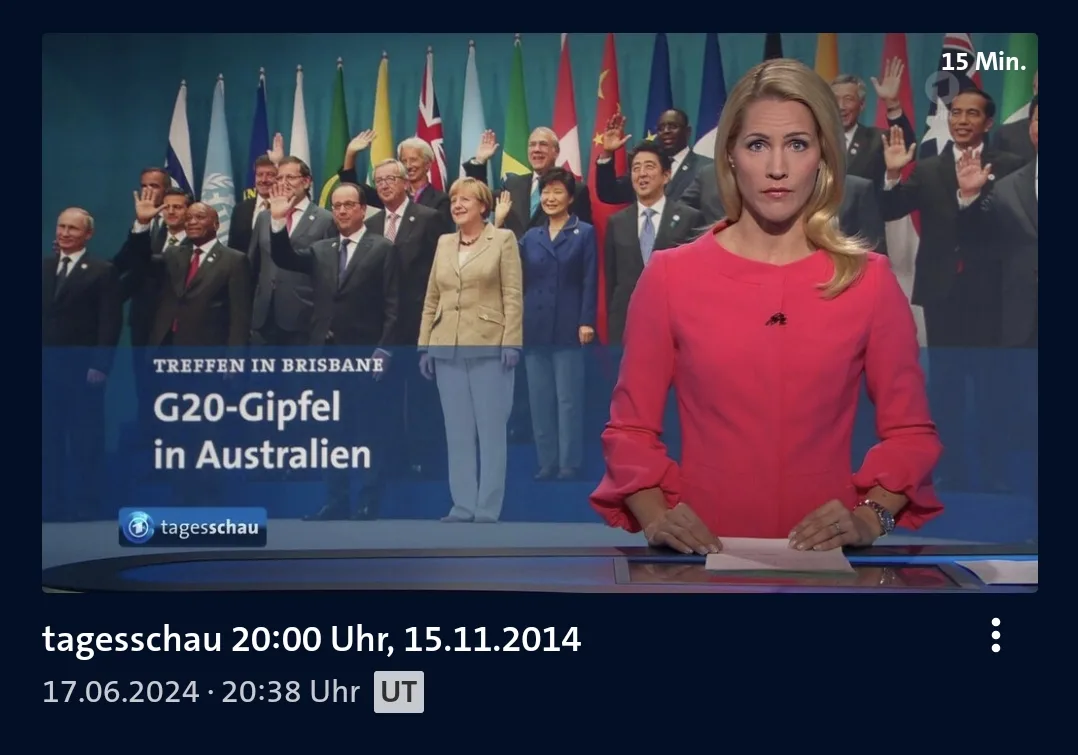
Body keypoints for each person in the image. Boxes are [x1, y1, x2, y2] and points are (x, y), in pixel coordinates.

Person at [589, 58, 944, 554]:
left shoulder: (869, 281)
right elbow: (630, 430)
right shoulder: (670, 277)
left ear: (823, 155)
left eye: (797, 144)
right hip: (704, 560)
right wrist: (656, 519)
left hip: (826, 566)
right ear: (730, 155)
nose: (778, 168)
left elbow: (910, 432)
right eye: (758, 144)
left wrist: (871, 518)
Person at [418, 177, 522, 522]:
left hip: (489, 345)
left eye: (465, 199)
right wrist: (424, 346)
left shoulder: (503, 239)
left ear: (483, 206)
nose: (457, 205)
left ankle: (487, 507)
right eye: (453, 200)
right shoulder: (444, 242)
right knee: (457, 432)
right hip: (446, 346)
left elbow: (512, 295)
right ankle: (463, 505)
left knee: (491, 432)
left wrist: (512, 342)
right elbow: (432, 297)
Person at [516, 168, 597, 481]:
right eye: (546, 192)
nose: (550, 198)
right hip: (534, 324)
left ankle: (568, 463)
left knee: (568, 399)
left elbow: (590, 280)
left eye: (557, 192)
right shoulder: (530, 236)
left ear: (570, 198)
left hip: (569, 323)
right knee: (539, 399)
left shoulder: (584, 232)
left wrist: (586, 320)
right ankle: (546, 462)